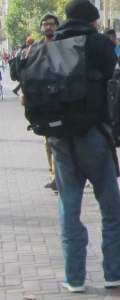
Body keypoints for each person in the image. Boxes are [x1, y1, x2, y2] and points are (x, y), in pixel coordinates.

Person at [48, 0, 120, 292]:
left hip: (59, 137)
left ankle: (74, 277)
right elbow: (115, 80)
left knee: (68, 207)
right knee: (109, 205)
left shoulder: (51, 43)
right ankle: (113, 271)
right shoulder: (97, 43)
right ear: (92, 19)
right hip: (94, 133)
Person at [39, 14, 60, 191]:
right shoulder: (36, 49)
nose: (48, 27)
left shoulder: (65, 45)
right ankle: (53, 175)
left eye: (52, 24)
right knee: (48, 139)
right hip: (44, 100)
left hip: (63, 98)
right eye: (45, 24)